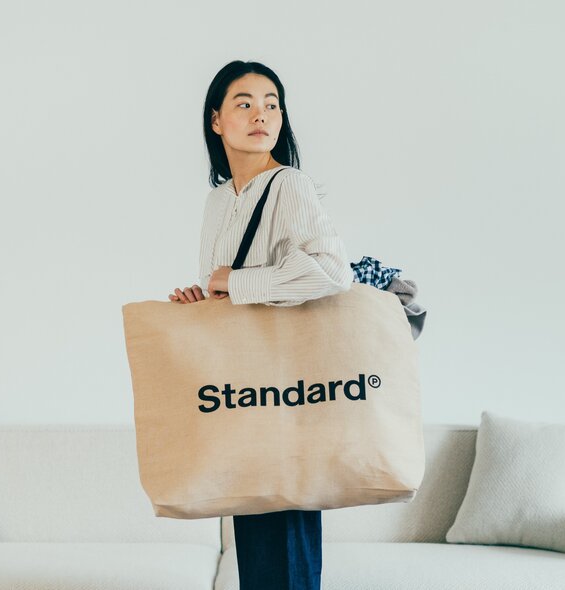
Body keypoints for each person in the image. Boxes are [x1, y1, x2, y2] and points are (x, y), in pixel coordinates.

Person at [168, 60, 353, 590]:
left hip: (286, 394)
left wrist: (236, 281)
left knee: (285, 553)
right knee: (258, 557)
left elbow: (332, 272)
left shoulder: (289, 185)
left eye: (272, 103)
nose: (262, 114)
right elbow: (228, 292)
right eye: (244, 103)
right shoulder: (217, 202)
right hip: (241, 395)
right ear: (216, 121)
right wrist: (202, 300)